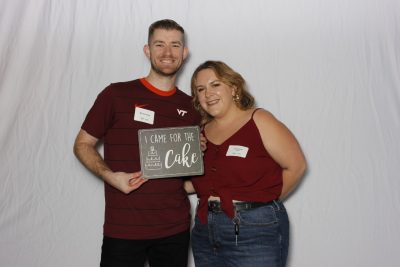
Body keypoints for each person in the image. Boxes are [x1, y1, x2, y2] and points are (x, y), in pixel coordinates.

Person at [73, 19, 201, 267]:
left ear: (184, 53)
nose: (167, 53)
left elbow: (190, 170)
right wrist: (111, 177)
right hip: (123, 229)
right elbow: (82, 144)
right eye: (159, 44)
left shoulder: (192, 107)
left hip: (175, 229)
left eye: (175, 45)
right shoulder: (116, 94)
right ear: (147, 50)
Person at [185, 60, 307, 267]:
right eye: (200, 89)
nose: (208, 93)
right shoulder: (200, 133)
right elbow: (191, 185)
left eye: (215, 85)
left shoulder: (259, 119)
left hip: (254, 230)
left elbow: (296, 167)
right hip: (205, 231)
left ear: (233, 88)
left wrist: (262, 204)